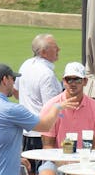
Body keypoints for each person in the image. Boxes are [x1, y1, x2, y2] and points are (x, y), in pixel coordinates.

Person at [33, 62, 95, 175]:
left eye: (77, 79)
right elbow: (48, 146)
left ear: (85, 81)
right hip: (56, 159)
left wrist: (81, 166)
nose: (72, 83)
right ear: (63, 81)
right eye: (68, 79)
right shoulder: (51, 107)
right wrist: (67, 167)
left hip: (86, 161)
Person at [16, 33, 64, 164]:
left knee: (29, 171)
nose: (59, 49)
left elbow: (16, 90)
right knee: (44, 172)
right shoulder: (47, 75)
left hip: (26, 131)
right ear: (43, 52)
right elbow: (52, 108)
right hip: (42, 134)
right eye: (55, 47)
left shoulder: (25, 65)